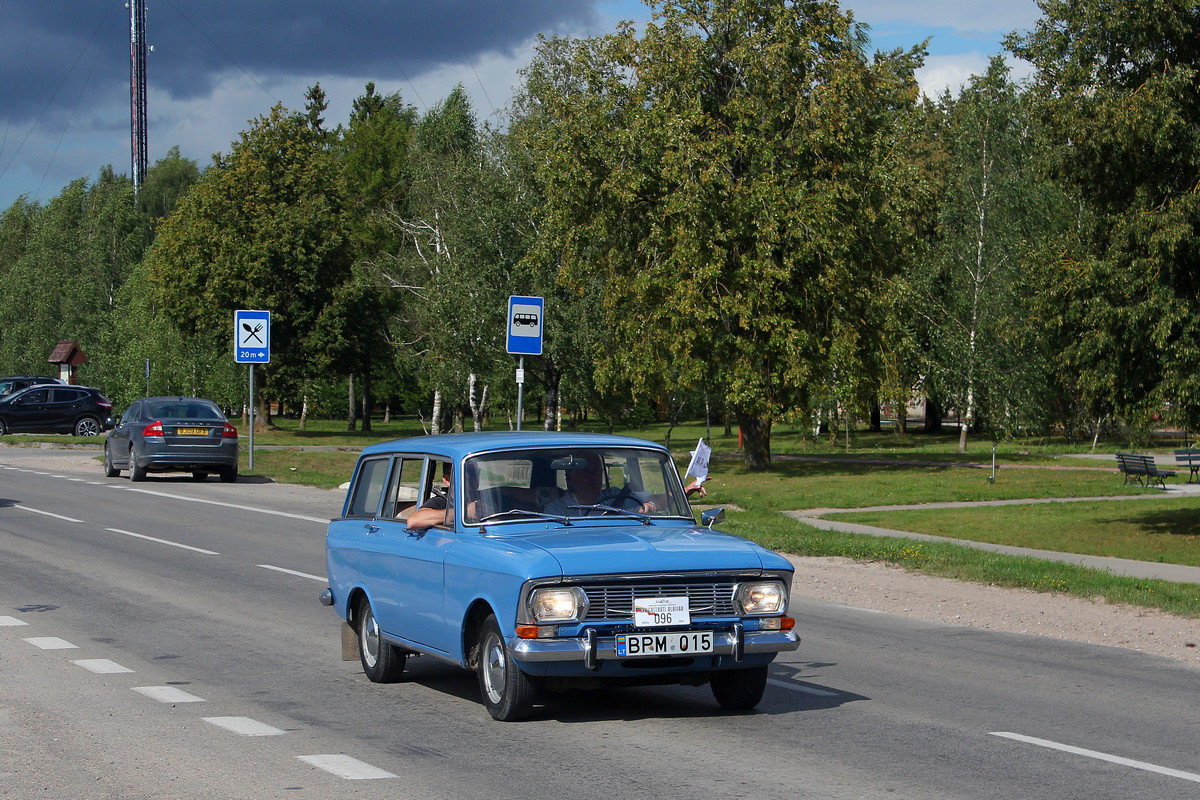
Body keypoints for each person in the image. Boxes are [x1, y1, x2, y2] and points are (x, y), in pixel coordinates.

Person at [406, 462, 453, 530]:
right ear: (447, 479)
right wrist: (462, 514)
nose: (470, 477)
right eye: (462, 474)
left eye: (473, 473)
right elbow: (413, 521)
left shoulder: (473, 501)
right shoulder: (440, 502)